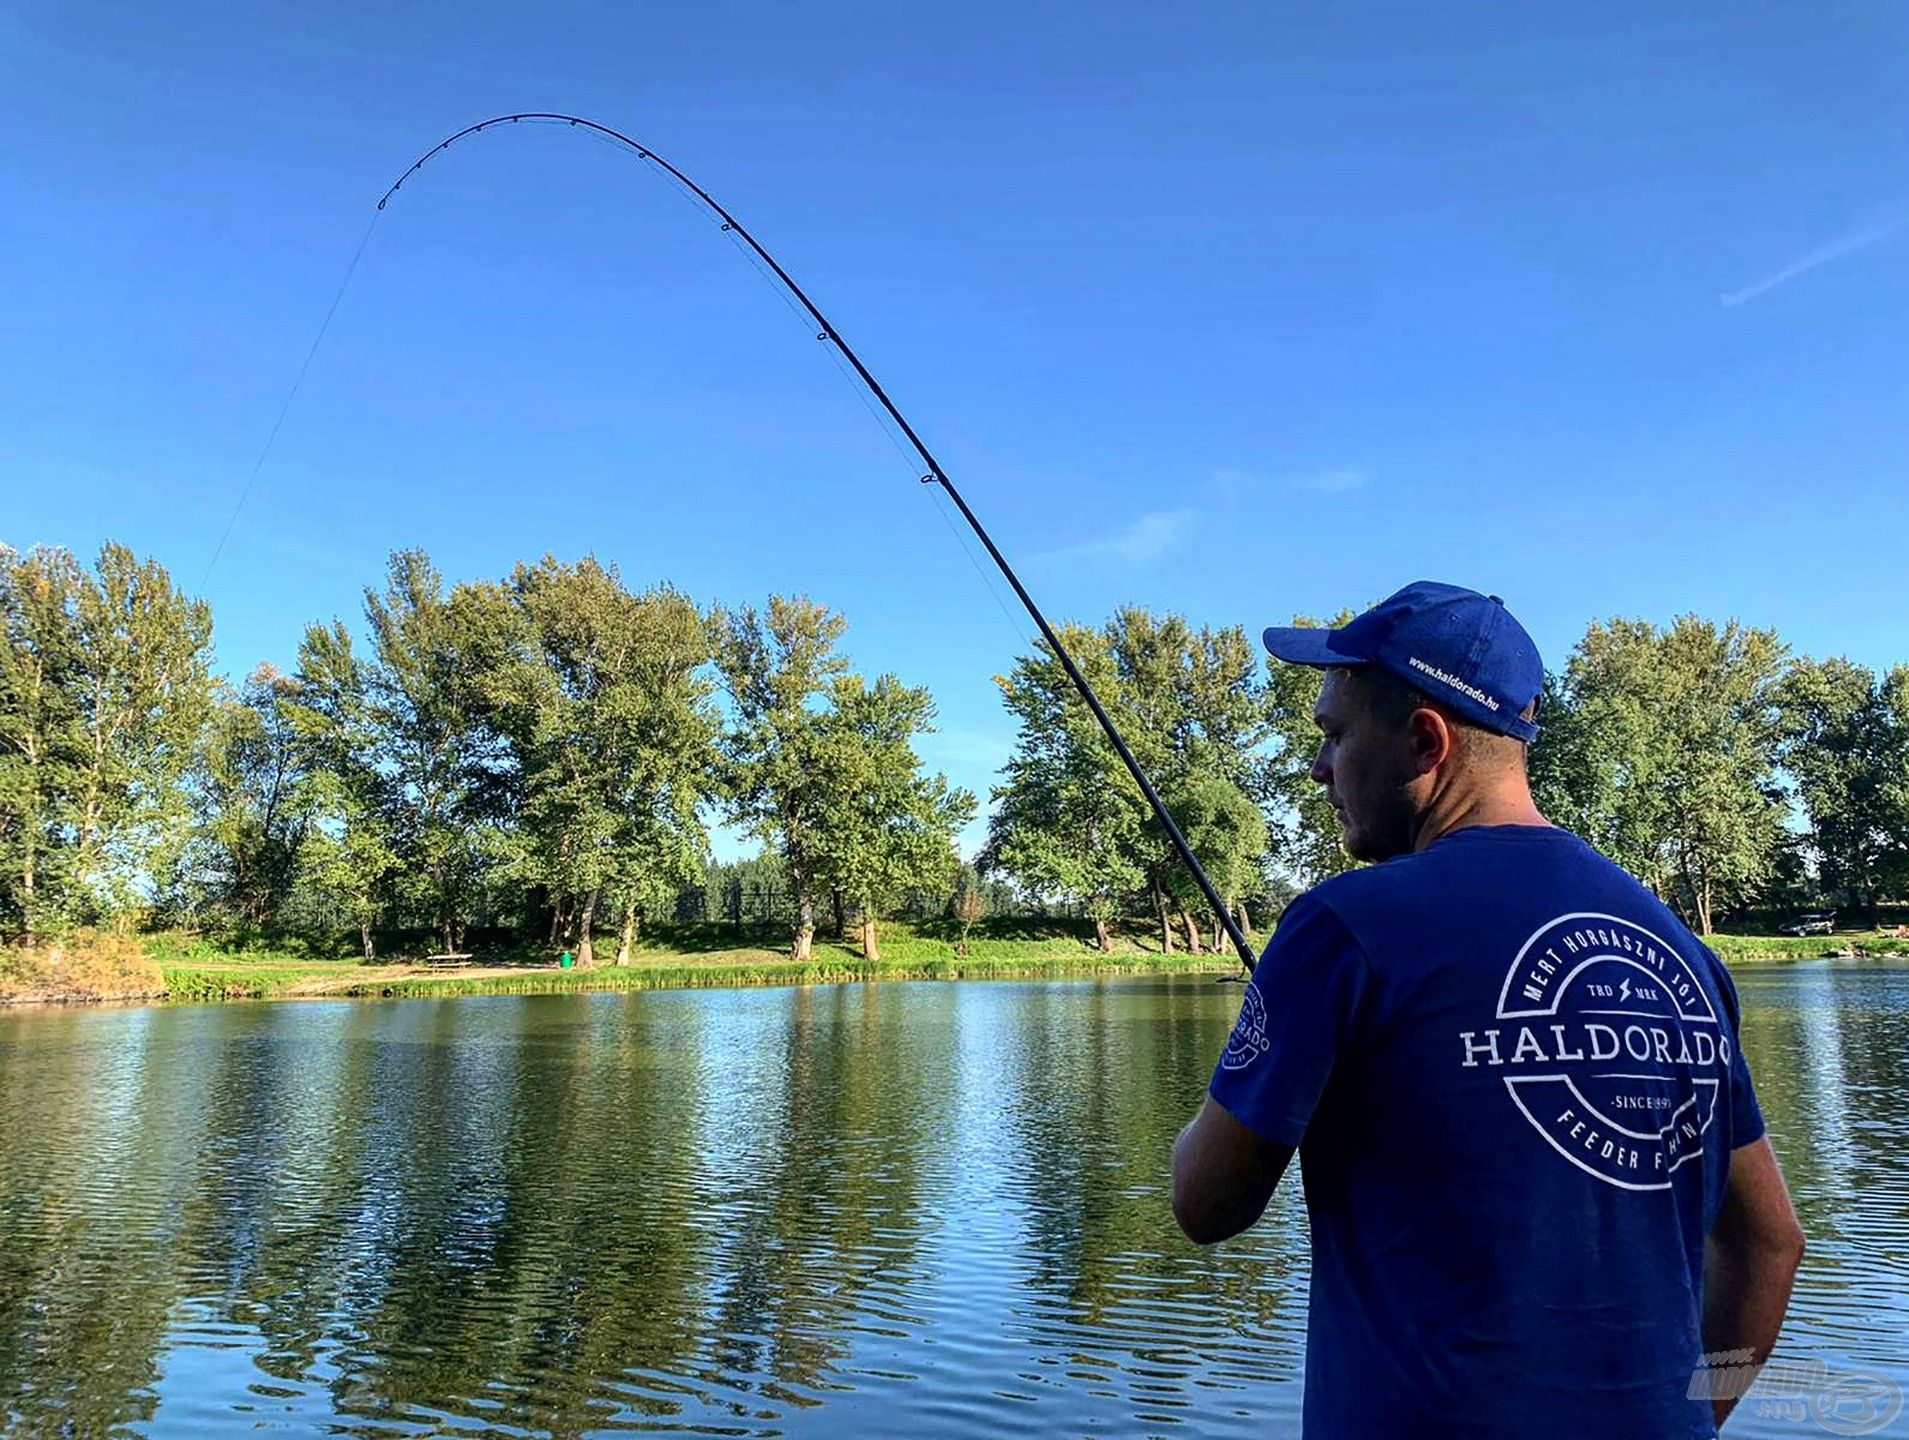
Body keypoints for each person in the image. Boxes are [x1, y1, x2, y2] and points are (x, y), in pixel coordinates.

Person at [1171, 581, 1805, 1438]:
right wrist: (1696, 1413)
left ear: (1423, 740)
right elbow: (1769, 1244)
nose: (1319, 769)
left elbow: (1205, 1204)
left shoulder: (1342, 927)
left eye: (1332, 735)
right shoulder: (1677, 950)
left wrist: (1266, 1039)